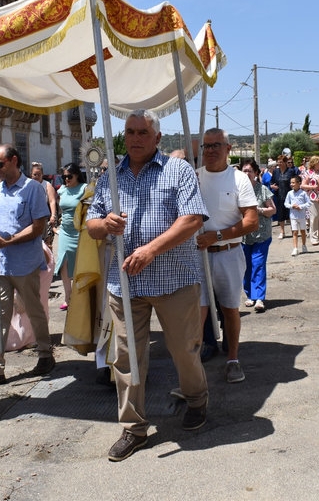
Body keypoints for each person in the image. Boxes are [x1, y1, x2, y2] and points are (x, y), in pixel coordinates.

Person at [87, 109, 209, 462]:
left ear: (157, 138)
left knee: (184, 350)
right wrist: (104, 224)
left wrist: (151, 249)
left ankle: (197, 399)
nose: (136, 137)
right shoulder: (112, 173)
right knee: (126, 357)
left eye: (143, 132)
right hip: (124, 282)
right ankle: (134, 428)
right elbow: (91, 223)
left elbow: (192, 220)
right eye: (130, 131)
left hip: (174, 280)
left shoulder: (178, 170)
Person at [0, 143, 54, 386]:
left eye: (0, 164)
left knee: (34, 311)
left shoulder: (33, 189)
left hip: (24, 264)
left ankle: (45, 353)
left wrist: (9, 241)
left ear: (14, 161)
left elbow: (38, 227)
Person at [195, 128, 258, 383]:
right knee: (197, 310)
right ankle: (192, 364)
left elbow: (251, 221)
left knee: (230, 308)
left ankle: (232, 358)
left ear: (228, 148)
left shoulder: (239, 179)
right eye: (206, 146)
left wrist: (217, 236)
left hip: (228, 254)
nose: (210, 150)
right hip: (198, 255)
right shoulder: (194, 177)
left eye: (216, 145)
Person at [240, 158, 275, 313]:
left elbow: (272, 209)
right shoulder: (237, 189)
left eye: (250, 170)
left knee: (258, 264)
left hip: (261, 234)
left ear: (256, 173)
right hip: (243, 236)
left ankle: (259, 297)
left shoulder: (262, 190)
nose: (247, 173)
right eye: (244, 170)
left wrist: (258, 210)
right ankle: (250, 295)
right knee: (245, 266)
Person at [55, 163, 87, 311]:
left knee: (81, 263)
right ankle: (68, 297)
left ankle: (81, 296)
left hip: (80, 231)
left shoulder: (84, 188)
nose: (66, 179)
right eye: (64, 177)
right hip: (65, 232)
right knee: (64, 263)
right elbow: (55, 203)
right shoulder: (61, 190)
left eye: (69, 176)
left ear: (77, 175)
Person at [301, 155, 319, 246]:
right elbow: (303, 185)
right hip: (312, 197)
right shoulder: (308, 173)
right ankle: (314, 237)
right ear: (314, 163)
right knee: (315, 217)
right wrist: (312, 187)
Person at [30, 162, 59, 237]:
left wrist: (53, 215)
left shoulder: (47, 185)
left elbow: (52, 201)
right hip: (31, 219)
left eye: (38, 174)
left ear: (42, 174)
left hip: (44, 218)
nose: (36, 176)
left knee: (46, 242)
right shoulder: (28, 185)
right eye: (34, 174)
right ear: (31, 175)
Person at [284, 175, 310, 256]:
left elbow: (309, 203)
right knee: (295, 232)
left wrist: (301, 206)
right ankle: (295, 248)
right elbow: (286, 203)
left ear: (299, 183)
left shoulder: (303, 193)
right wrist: (292, 206)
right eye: (291, 183)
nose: (291, 184)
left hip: (301, 216)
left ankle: (304, 245)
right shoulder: (289, 193)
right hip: (293, 216)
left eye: (293, 182)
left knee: (302, 231)